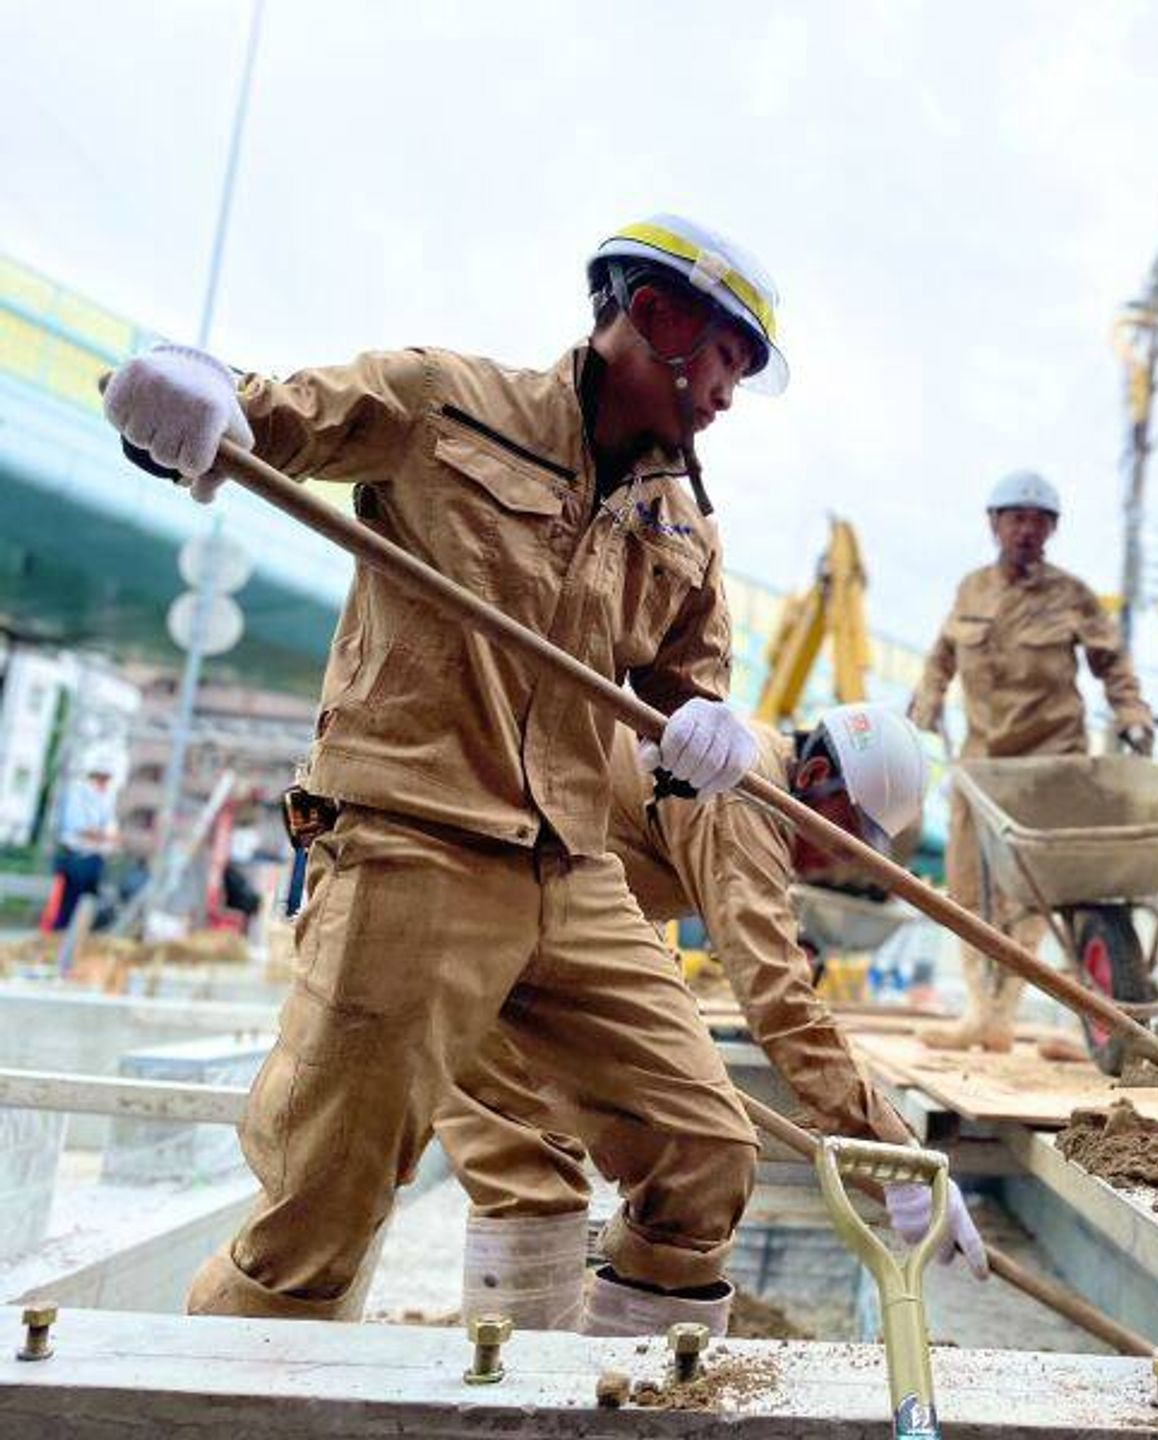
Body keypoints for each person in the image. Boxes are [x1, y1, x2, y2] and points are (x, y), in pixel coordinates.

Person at [100, 215, 826, 1336]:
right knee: (321, 1210)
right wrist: (182, 396)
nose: (732, 392)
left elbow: (688, 684)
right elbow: (264, 418)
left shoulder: (682, 522)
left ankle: (613, 1391)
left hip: (570, 870)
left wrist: (709, 733)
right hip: (412, 843)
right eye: (730, 355)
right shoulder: (445, 403)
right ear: (660, 317)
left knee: (707, 1153)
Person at [434, 704, 988, 1331]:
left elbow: (624, 887)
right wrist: (894, 1158)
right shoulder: (744, 793)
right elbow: (779, 999)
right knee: (531, 1168)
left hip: (536, 915)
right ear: (812, 778)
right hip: (479, 904)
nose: (841, 861)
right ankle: (538, 1394)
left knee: (616, 1164)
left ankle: (576, 1386)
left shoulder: (752, 782)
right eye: (846, 834)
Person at [908, 472, 1153, 1052]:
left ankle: (1065, 1019)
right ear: (994, 523)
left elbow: (1112, 663)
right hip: (981, 764)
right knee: (968, 889)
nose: (1027, 529)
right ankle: (983, 1015)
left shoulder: (1072, 595)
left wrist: (1133, 714)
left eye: (1039, 520)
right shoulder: (970, 590)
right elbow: (940, 656)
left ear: (1053, 531)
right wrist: (926, 700)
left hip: (1051, 763)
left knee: (1045, 891)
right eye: (1016, 517)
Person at [51, 755, 119, 930]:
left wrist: (103, 835)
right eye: (103, 778)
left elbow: (110, 829)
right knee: (70, 904)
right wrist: (103, 835)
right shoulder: (78, 795)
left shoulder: (104, 799)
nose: (105, 783)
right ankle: (60, 936)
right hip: (77, 857)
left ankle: (75, 936)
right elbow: (79, 827)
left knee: (88, 904)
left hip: (94, 857)